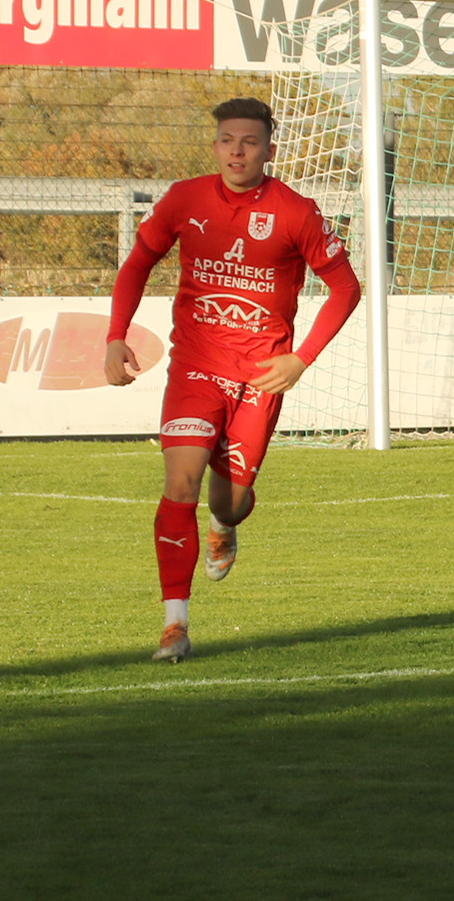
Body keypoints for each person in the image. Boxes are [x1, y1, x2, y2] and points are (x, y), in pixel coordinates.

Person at [104, 96, 363, 663]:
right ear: (216, 145)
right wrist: (116, 334)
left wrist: (301, 359)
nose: (237, 151)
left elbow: (346, 288)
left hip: (260, 377)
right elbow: (138, 263)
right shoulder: (184, 198)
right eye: (227, 140)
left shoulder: (297, 211)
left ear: (269, 149)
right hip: (195, 368)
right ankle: (175, 625)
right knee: (180, 486)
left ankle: (225, 522)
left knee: (230, 499)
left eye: (249, 141)